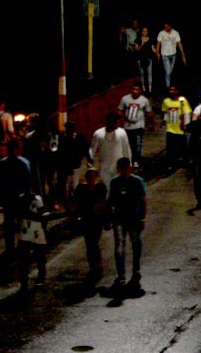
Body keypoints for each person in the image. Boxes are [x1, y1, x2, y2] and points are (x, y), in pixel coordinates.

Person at [107, 157, 146, 290]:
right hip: (119, 219)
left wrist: (142, 218)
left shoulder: (137, 181)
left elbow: (143, 200)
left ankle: (136, 270)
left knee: (136, 244)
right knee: (119, 247)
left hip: (134, 218)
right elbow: (110, 202)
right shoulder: (115, 183)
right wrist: (108, 218)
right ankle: (121, 274)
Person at [72, 168, 107, 285]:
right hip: (86, 220)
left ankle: (97, 265)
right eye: (89, 177)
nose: (91, 179)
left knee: (94, 242)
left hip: (96, 220)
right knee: (89, 243)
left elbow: (102, 203)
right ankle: (93, 266)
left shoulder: (100, 188)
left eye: (93, 177)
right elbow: (76, 204)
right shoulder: (81, 189)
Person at [16, 185, 50, 294]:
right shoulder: (20, 199)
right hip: (25, 231)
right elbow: (18, 214)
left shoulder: (37, 199)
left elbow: (42, 214)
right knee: (23, 258)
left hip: (36, 231)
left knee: (40, 255)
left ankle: (41, 276)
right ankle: (24, 282)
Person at [89, 112, 132, 187]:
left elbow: (126, 149)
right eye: (115, 122)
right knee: (107, 188)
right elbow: (92, 149)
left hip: (119, 167)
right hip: (105, 167)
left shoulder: (122, 132)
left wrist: (129, 164)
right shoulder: (98, 134)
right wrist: (90, 161)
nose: (117, 124)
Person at [118, 85, 153, 168]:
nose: (135, 91)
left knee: (137, 143)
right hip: (127, 126)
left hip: (139, 126)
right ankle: (129, 159)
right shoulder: (125, 99)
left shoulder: (144, 100)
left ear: (140, 90)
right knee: (128, 143)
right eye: (133, 89)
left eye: (137, 89)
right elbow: (120, 110)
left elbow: (149, 113)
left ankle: (136, 160)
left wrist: (151, 124)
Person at [161, 85, 192, 171]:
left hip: (180, 129)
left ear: (177, 91)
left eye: (173, 90)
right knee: (170, 147)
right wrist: (164, 121)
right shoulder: (166, 101)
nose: (172, 92)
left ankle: (186, 162)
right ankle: (171, 164)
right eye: (170, 90)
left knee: (183, 147)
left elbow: (187, 113)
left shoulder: (182, 100)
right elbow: (165, 113)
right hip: (170, 128)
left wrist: (185, 124)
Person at [156, 22, 187, 89]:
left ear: (170, 26)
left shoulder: (175, 33)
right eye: (164, 26)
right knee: (168, 71)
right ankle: (168, 86)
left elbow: (179, 43)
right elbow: (158, 43)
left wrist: (182, 52)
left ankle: (169, 85)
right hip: (165, 55)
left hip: (173, 54)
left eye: (166, 26)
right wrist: (157, 53)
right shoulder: (161, 33)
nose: (165, 28)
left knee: (170, 71)